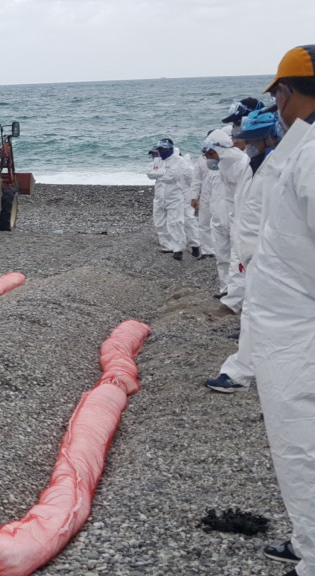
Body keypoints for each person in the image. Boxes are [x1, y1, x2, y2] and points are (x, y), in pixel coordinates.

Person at [245, 44, 315, 576]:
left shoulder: (311, 154)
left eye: (280, 93)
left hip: (298, 329)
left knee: (301, 442)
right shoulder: (303, 146)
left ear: (288, 92)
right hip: (289, 322)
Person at [204, 109, 283, 393]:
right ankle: (246, 372)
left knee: (262, 312)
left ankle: (244, 373)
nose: (248, 145)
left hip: (271, 253)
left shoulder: (276, 166)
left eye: (254, 139)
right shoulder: (253, 164)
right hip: (255, 252)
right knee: (256, 311)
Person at [201, 128, 249, 299]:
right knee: (222, 256)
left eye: (211, 154)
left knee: (238, 257)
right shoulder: (221, 166)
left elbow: (244, 196)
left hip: (237, 216)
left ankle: (238, 294)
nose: (210, 158)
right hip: (219, 215)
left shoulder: (242, 163)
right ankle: (225, 289)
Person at [145, 138, 191, 260]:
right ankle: (166, 245)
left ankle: (178, 249)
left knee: (175, 223)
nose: (162, 151)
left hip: (174, 197)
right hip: (159, 196)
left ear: (170, 148)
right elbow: (149, 174)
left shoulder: (179, 161)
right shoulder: (157, 160)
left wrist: (159, 174)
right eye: (161, 149)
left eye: (165, 148)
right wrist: (163, 172)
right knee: (159, 222)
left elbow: (173, 176)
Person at [188, 130, 221, 260]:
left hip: (222, 194)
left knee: (221, 223)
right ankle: (208, 251)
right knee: (204, 223)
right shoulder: (202, 159)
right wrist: (194, 197)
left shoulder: (225, 156)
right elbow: (197, 179)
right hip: (206, 194)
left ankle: (221, 250)